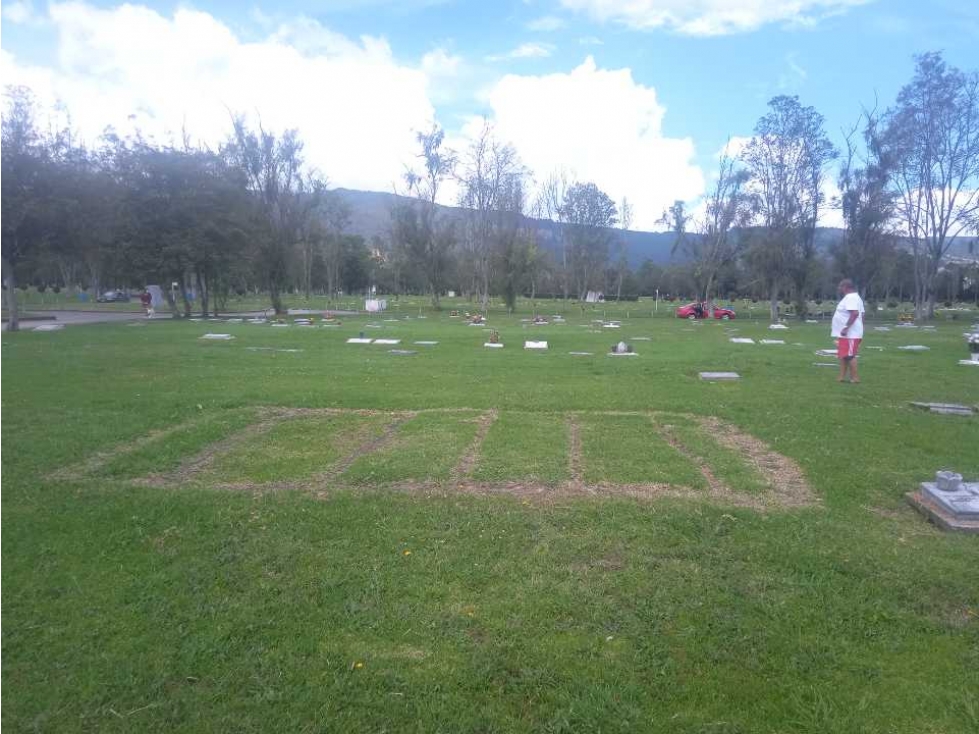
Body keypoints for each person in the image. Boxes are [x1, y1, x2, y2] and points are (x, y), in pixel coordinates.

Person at [831, 279, 865, 383]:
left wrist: (846, 327)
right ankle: (841, 377)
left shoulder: (851, 298)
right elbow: (862, 314)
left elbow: (855, 313)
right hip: (847, 333)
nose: (839, 289)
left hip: (850, 333)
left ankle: (855, 378)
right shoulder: (855, 298)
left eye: (840, 287)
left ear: (846, 287)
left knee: (850, 356)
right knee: (843, 355)